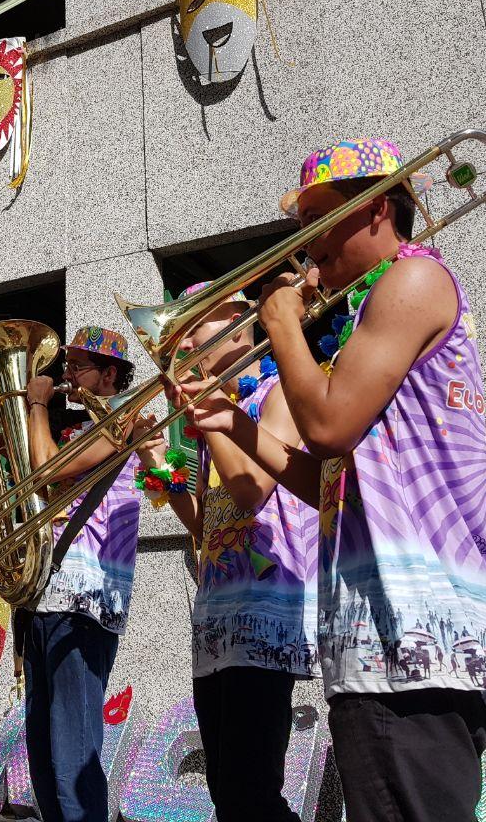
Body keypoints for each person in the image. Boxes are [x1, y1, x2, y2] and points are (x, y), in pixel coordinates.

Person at [176, 138, 486, 822]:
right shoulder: (366, 318)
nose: (307, 246)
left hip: (414, 633)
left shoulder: (413, 280)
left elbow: (324, 429)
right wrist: (228, 424)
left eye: (320, 220)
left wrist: (280, 324)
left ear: (378, 208)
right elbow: (325, 480)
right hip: (377, 637)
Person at [163, 285, 318, 822]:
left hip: (266, 613)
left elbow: (253, 488)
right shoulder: (221, 416)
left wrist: (214, 414)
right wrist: (169, 477)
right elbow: (211, 528)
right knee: (225, 791)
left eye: (193, 331)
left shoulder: (279, 392)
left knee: (248, 794)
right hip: (216, 617)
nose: (185, 349)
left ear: (237, 318)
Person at [21, 326, 164, 822]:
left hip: (86, 600)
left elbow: (41, 470)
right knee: (41, 747)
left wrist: (36, 405)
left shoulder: (122, 419)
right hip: (49, 595)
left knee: (73, 752)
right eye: (68, 367)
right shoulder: (87, 430)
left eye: (77, 366)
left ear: (109, 374)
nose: (66, 376)